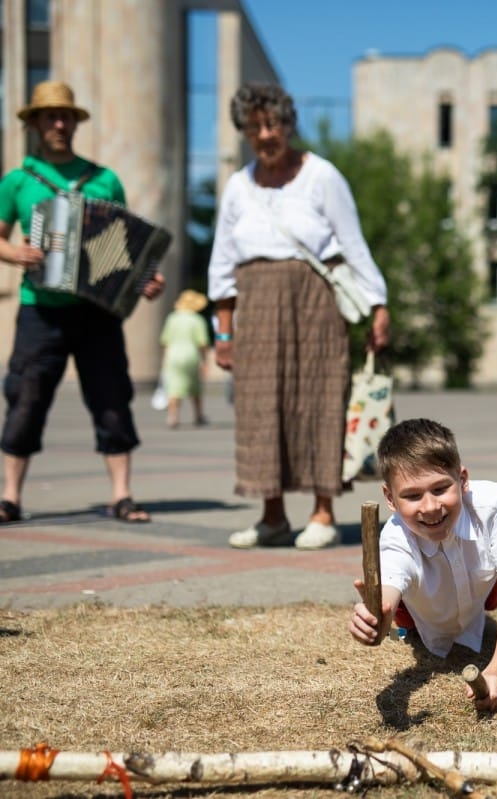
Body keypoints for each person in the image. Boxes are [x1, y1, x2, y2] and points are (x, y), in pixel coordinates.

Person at [208, 82, 390, 550]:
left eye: (271, 124)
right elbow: (222, 264)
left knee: (319, 399)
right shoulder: (237, 186)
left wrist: (378, 304)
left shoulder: (321, 176)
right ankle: (272, 516)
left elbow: (352, 243)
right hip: (255, 307)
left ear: (287, 125)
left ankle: (323, 512)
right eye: (254, 127)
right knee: (260, 408)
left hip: (315, 303)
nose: (264, 134)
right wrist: (222, 332)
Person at [0, 80, 165, 525]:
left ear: (75, 122)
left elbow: (129, 248)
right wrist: (16, 253)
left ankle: (122, 495)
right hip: (40, 307)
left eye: (66, 116)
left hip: (97, 312)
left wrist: (146, 281)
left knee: (112, 397)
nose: (59, 123)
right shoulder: (18, 180)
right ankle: (9, 497)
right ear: (34, 123)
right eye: (50, 116)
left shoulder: (105, 179)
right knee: (25, 397)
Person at [348, 418, 497, 712]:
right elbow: (385, 597)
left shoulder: (495, 504)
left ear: (462, 480)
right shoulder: (395, 540)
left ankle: (485, 593)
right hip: (416, 614)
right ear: (390, 498)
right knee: (401, 614)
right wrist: (376, 622)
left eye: (439, 489)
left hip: (483, 593)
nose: (431, 507)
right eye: (411, 495)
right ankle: (406, 618)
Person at [159, 289, 210, 429]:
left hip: (174, 355)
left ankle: (172, 416)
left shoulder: (172, 318)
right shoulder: (197, 319)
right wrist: (205, 361)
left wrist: (164, 359)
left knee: (174, 387)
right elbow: (203, 343)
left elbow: (165, 341)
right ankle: (198, 415)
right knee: (195, 387)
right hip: (191, 355)